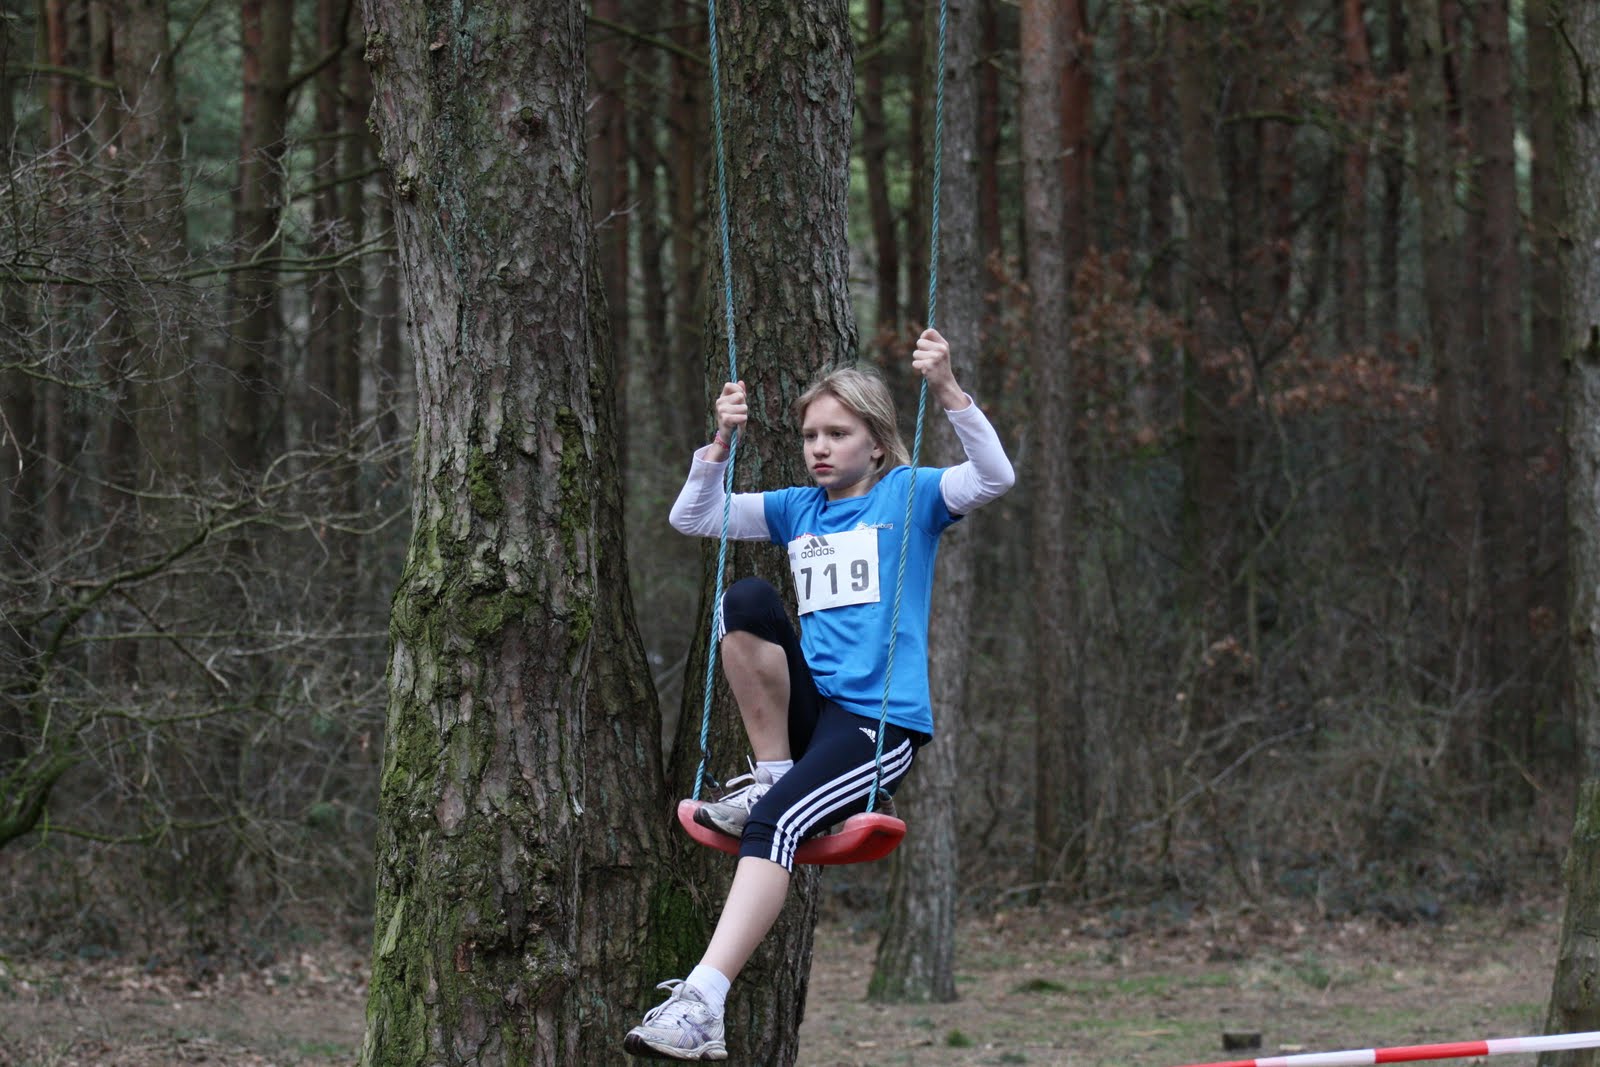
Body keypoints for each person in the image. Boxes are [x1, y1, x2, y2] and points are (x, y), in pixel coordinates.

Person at [623, 328, 1015, 1061]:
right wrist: (720, 442)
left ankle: (702, 1005)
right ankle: (773, 771)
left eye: (838, 433)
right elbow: (694, 517)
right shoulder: (798, 508)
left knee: (773, 824)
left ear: (878, 443)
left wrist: (948, 389)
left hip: (877, 726)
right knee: (744, 599)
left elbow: (994, 477)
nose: (820, 448)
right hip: (813, 711)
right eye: (810, 435)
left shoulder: (911, 495)